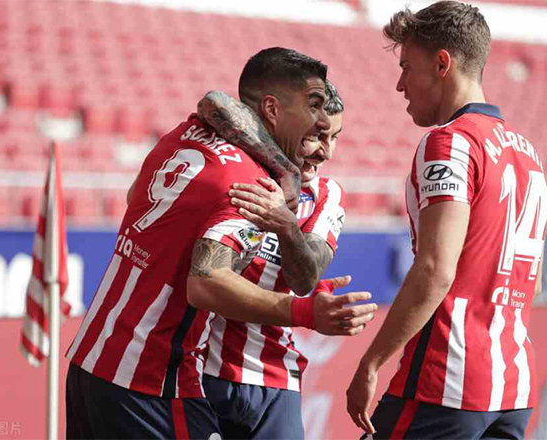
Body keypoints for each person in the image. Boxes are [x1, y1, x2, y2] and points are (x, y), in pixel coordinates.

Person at [64, 47, 376, 440]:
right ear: (273, 108)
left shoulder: (182, 135)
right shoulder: (254, 183)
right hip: (150, 375)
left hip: (93, 357)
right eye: (313, 111)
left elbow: (135, 197)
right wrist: (306, 313)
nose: (320, 129)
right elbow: (206, 282)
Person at [345, 2, 547, 439]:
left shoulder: (450, 142)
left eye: (406, 67)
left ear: (442, 64)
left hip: (447, 381)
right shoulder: (528, 153)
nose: (399, 84)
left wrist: (371, 362)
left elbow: (437, 268)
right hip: (513, 385)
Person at [196, 80, 346, 439]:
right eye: (316, 135)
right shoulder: (238, 170)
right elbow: (213, 103)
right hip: (201, 370)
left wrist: (285, 223)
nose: (325, 151)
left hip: (275, 378)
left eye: (334, 138)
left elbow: (303, 279)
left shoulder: (327, 195)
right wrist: (285, 171)